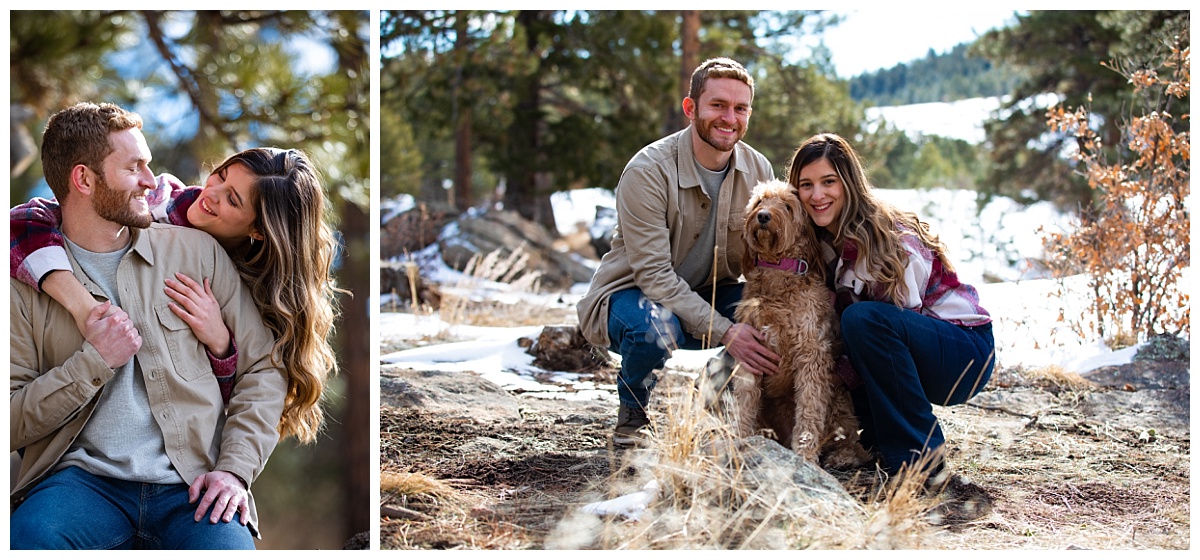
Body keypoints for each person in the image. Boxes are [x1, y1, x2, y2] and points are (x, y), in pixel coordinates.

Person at [9, 101, 289, 549]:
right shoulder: (25, 284)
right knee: (28, 539)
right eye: (134, 167)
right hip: (78, 484)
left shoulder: (198, 252)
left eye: (149, 165)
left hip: (192, 488)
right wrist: (93, 362)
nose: (150, 181)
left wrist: (234, 470)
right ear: (83, 179)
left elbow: (265, 370)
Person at [11, 136, 340, 447]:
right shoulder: (158, 203)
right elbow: (23, 222)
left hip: (185, 450)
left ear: (258, 229)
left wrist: (220, 345)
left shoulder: (255, 287)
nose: (212, 193)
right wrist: (83, 306)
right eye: (221, 176)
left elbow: (245, 394)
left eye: (232, 199)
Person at [577, 58, 780, 446]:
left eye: (741, 108)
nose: (729, 118)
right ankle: (632, 415)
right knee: (657, 326)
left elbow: (765, 257)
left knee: (773, 314)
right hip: (631, 298)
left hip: (709, 291)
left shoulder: (758, 168)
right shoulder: (648, 170)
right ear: (691, 109)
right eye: (717, 105)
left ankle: (715, 395)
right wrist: (725, 330)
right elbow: (653, 276)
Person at [785, 132, 995, 480]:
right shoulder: (822, 244)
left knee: (864, 321)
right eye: (806, 185)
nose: (817, 195)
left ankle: (920, 460)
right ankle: (879, 441)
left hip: (964, 353)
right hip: (911, 348)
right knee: (854, 328)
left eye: (828, 182)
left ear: (849, 183)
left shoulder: (888, 238)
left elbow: (895, 335)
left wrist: (831, 374)